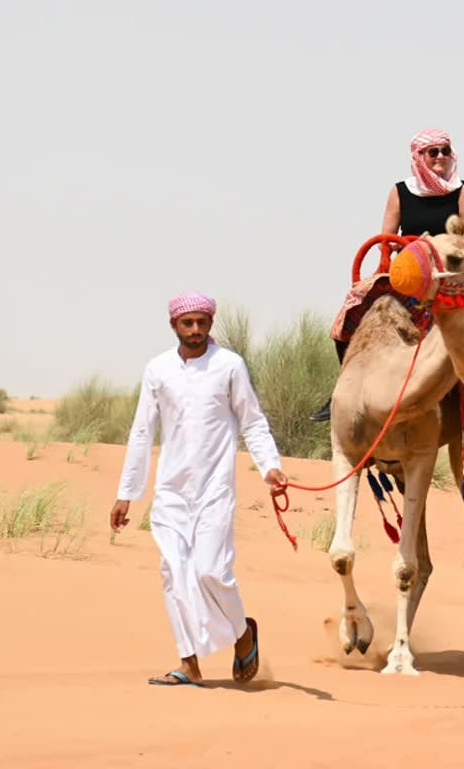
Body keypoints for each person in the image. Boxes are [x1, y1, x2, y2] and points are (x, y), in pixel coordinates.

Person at [110, 292, 290, 687]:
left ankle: (243, 634)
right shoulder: (158, 369)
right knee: (174, 573)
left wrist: (270, 466)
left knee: (210, 571)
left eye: (202, 322)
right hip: (171, 492)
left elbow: (252, 421)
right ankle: (188, 664)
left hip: (215, 489)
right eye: (187, 323)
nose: (195, 330)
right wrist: (127, 493)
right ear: (173, 325)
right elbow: (142, 431)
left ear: (211, 323)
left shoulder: (229, 365)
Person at [311, 128, 464, 421]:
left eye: (445, 151)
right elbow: (386, 238)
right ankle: (346, 388)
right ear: (419, 156)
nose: (440, 157)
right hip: (409, 270)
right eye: (433, 152)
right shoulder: (401, 191)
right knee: (354, 306)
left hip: (448, 273)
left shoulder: (461, 190)